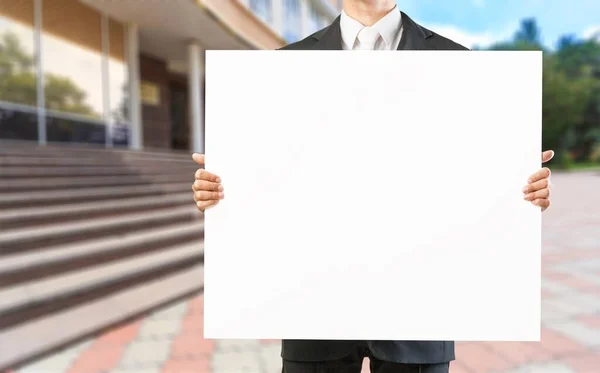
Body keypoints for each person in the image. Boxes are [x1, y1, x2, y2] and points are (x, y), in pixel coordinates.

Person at [191, 1, 553, 372]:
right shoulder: (286, 66)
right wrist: (223, 193)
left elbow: (480, 176)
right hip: (312, 304)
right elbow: (267, 172)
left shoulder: (458, 62)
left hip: (420, 308)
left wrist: (521, 192)